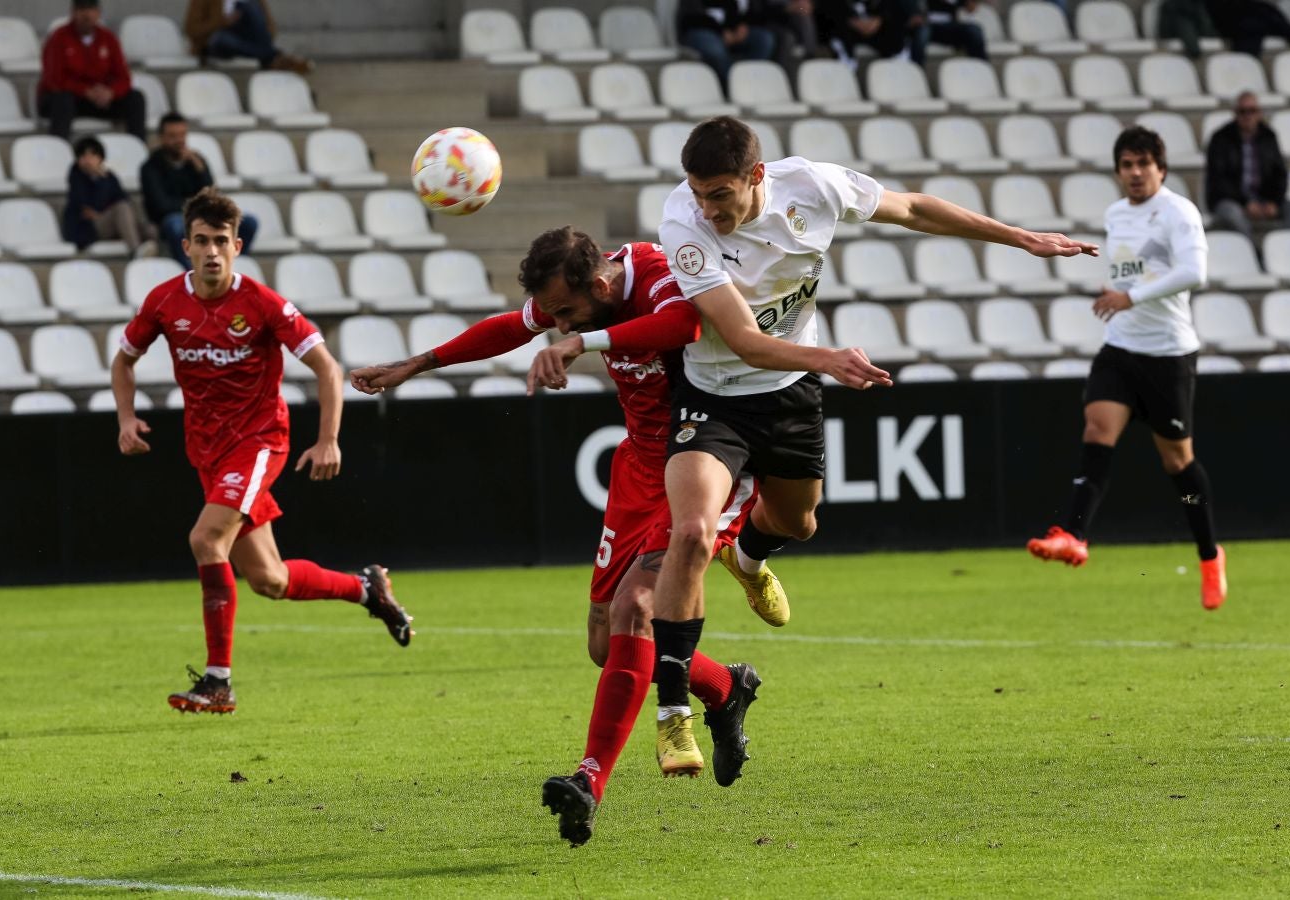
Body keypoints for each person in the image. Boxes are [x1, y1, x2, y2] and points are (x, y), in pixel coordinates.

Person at [651, 116, 1097, 775]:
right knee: (689, 534)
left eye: (720, 193)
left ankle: (747, 558)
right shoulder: (682, 223)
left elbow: (912, 207)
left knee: (798, 523)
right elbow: (742, 341)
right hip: (712, 393)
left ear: (757, 176)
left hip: (790, 390)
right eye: (698, 192)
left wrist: (1020, 238)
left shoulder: (815, 187)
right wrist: (829, 357)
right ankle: (673, 719)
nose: (707, 207)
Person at [350, 229, 799, 846]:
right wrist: (417, 363)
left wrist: (581, 340)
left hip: (705, 455)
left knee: (636, 609)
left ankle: (590, 782)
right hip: (640, 465)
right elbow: (511, 326)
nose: (555, 323)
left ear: (601, 284)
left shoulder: (663, 274)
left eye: (566, 311)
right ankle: (726, 687)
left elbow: (682, 327)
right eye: (555, 314)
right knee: (605, 643)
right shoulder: (580, 296)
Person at [111, 188, 412, 715]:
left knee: (205, 539)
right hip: (206, 450)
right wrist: (126, 417)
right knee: (269, 580)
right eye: (201, 241)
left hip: (257, 443)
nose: (211, 251)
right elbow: (124, 360)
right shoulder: (164, 302)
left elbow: (327, 367)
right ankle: (367, 588)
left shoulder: (262, 304)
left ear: (237, 245)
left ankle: (218, 680)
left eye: (221, 242)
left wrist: (328, 439)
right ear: (185, 246)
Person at [1027, 126, 1227, 611]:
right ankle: (1073, 535)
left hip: (1169, 355)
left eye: (1144, 164)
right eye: (1127, 165)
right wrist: (1118, 293)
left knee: (1177, 463)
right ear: (1118, 171)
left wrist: (1129, 296)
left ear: (1160, 168)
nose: (1135, 173)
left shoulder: (1178, 212)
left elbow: (1194, 273)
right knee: (1097, 429)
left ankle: (1209, 556)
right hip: (1121, 349)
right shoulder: (1116, 214)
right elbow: (1133, 270)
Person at [141, 112, 259, 270]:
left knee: (248, 222)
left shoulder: (196, 162)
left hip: (204, 217)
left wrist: (201, 170)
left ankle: (226, 269)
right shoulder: (150, 167)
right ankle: (195, 272)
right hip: (174, 221)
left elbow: (212, 195)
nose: (179, 141)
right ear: (161, 138)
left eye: (182, 135)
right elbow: (161, 205)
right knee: (174, 224)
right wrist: (196, 210)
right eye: (172, 136)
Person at [1204, 92, 1290, 243]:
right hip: (1230, 200)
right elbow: (1218, 180)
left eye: (1252, 111)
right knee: (1233, 214)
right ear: (1235, 114)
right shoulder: (1220, 139)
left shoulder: (1269, 137)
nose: (1247, 116)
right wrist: (1245, 203)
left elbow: (1280, 175)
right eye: (1242, 111)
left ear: (1259, 113)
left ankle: (1281, 246)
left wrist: (1274, 203)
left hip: (1263, 200)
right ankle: (1253, 252)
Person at [38, 0, 146, 141]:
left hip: (100, 100)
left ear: (98, 13)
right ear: (73, 12)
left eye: (91, 9)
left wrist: (110, 92)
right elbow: (54, 79)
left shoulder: (109, 38)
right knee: (63, 100)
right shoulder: (59, 37)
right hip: (69, 99)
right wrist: (85, 91)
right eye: (82, 9)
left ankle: (137, 149)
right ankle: (59, 150)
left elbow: (124, 78)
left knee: (136, 98)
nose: (86, 15)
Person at [62, 135, 150, 256]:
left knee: (148, 226)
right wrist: (100, 181)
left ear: (100, 158)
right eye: (83, 156)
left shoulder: (109, 177)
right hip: (88, 228)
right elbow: (89, 204)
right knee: (122, 208)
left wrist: (102, 180)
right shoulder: (76, 177)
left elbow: (122, 197)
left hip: (110, 221)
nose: (88, 160)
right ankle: (136, 251)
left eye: (92, 155)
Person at [185, 0, 313, 73]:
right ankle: (275, 57)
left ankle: (270, 57)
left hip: (247, 39)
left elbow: (270, 29)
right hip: (217, 40)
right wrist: (220, 22)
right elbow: (191, 30)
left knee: (249, 7)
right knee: (221, 40)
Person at [676, 0, 777, 88]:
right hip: (700, 30)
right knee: (715, 49)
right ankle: (733, 84)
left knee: (763, 39)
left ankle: (751, 79)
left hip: (728, 32)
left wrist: (741, 26)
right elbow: (691, 19)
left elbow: (737, 13)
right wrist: (721, 32)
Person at [815, 0, 924, 66]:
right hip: (845, 29)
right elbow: (825, 10)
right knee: (838, 34)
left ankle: (898, 63)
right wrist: (852, 21)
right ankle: (846, 67)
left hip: (875, 27)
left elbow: (891, 8)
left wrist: (878, 19)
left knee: (896, 30)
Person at [1206, 0, 1290, 58]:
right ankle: (1289, 32)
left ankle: (1289, 32)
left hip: (1246, 25)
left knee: (1264, 12)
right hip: (1230, 23)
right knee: (1259, 18)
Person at [911, 0, 988, 67]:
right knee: (921, 33)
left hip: (950, 27)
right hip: (929, 25)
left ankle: (982, 70)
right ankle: (915, 71)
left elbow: (971, 8)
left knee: (974, 30)